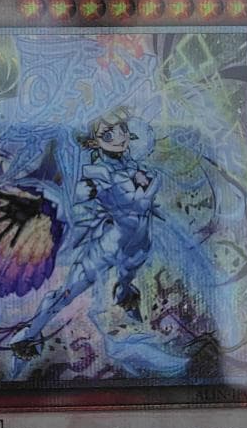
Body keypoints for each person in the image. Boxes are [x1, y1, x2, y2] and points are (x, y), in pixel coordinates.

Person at [11, 107, 159, 365]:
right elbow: (71, 197)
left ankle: (125, 296)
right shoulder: (97, 174)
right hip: (110, 245)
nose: (119, 136)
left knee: (127, 277)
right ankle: (29, 335)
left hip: (140, 242)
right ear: (94, 142)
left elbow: (145, 195)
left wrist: (145, 181)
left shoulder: (132, 165)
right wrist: (75, 195)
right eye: (108, 134)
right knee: (69, 291)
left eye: (123, 129)